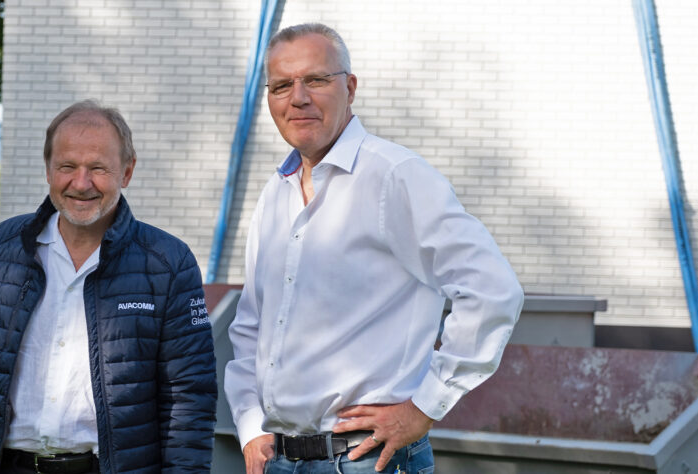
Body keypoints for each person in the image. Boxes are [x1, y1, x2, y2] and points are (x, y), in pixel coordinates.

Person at [224, 23, 525, 474]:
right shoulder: (275, 194)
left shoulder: (395, 176)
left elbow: (494, 290)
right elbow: (251, 324)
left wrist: (424, 407)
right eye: (282, 85)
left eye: (316, 79)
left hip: (368, 461)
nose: (298, 98)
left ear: (350, 87)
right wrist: (250, 427)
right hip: (280, 460)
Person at [0, 100, 217, 473]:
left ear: (127, 172)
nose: (81, 184)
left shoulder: (168, 263)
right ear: (48, 169)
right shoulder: (2, 250)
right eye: (67, 167)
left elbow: (189, 400)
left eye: (98, 168)